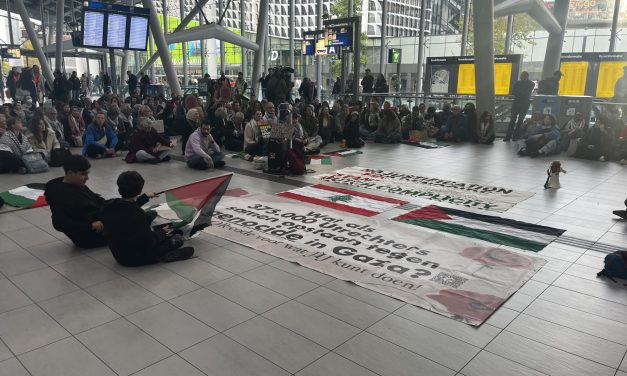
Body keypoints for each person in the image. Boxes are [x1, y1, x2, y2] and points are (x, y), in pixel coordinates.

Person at [101, 171, 194, 266]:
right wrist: (162, 232)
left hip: (119, 255)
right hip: (134, 258)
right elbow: (149, 242)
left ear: (120, 189)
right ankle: (164, 256)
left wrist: (145, 197)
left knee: (153, 215)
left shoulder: (110, 205)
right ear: (139, 191)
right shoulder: (137, 214)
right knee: (177, 239)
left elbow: (127, 207)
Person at [44, 155, 107, 248]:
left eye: (87, 174)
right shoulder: (60, 194)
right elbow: (59, 223)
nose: (87, 178)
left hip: (99, 222)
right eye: (83, 174)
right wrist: (91, 226)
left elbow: (96, 199)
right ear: (70, 173)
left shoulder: (75, 183)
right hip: (90, 236)